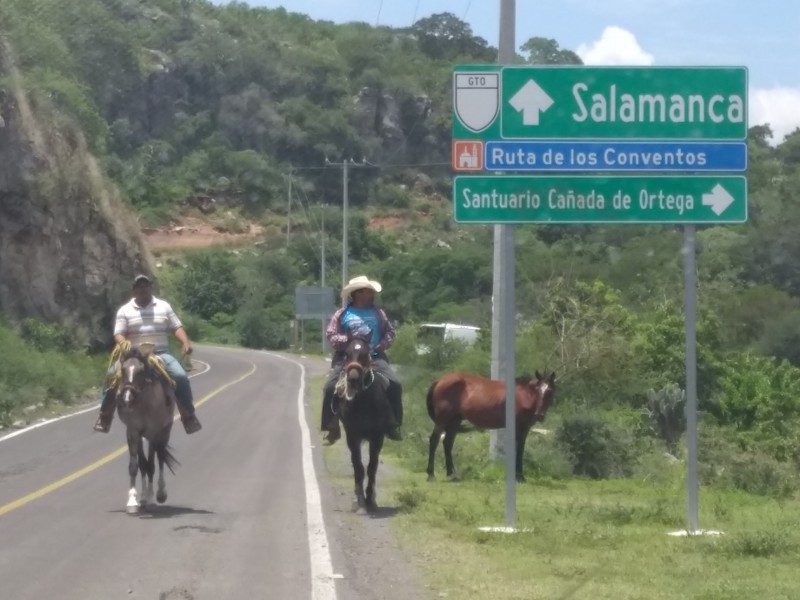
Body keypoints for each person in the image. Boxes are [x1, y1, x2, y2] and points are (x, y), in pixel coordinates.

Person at [93, 274, 202, 435]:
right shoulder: (125, 310)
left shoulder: (164, 306)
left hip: (160, 353)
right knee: (111, 376)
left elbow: (176, 327)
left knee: (179, 376)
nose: (143, 289)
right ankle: (105, 416)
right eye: (139, 286)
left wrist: (185, 342)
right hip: (133, 356)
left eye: (146, 286)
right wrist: (123, 342)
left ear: (151, 288)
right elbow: (119, 333)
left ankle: (188, 416)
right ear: (134, 289)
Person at [321, 275, 403, 444]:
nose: (372, 294)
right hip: (348, 358)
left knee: (395, 384)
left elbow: (390, 332)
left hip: (374, 357)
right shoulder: (342, 314)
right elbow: (331, 335)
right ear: (358, 293)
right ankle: (331, 426)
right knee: (329, 388)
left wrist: (382, 344)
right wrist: (348, 341)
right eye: (369, 291)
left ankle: (393, 424)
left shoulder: (378, 313)